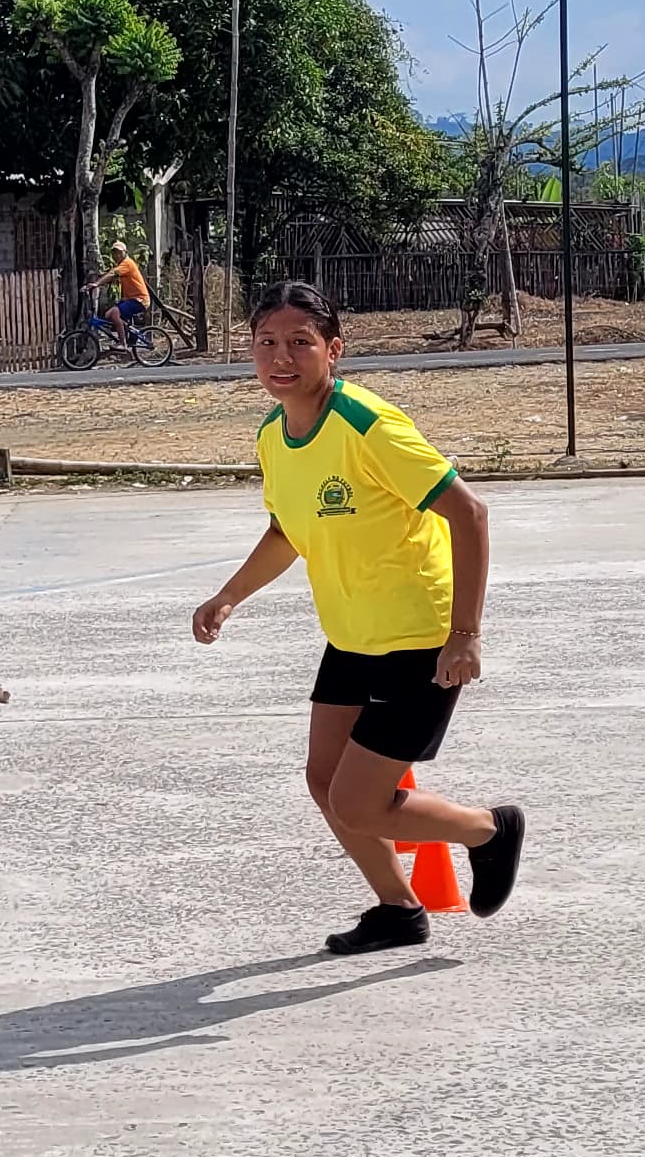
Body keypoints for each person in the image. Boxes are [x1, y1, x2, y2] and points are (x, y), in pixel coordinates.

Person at [190, 280, 525, 954]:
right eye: (266, 342)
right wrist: (229, 595)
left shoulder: (368, 425)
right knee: (324, 780)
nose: (281, 357)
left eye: (300, 342)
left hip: (419, 638)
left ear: (334, 349)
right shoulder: (274, 435)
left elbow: (469, 513)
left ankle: (489, 830)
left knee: (359, 801)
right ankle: (398, 909)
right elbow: (286, 531)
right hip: (351, 635)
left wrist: (465, 634)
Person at [101, 245, 154, 344]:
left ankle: (122, 343)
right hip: (130, 299)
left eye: (119, 252)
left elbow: (112, 273)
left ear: (125, 252)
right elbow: (111, 276)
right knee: (108, 314)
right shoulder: (121, 265)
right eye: (114, 253)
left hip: (139, 300)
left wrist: (96, 284)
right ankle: (130, 333)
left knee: (114, 313)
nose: (117, 255)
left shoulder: (127, 263)